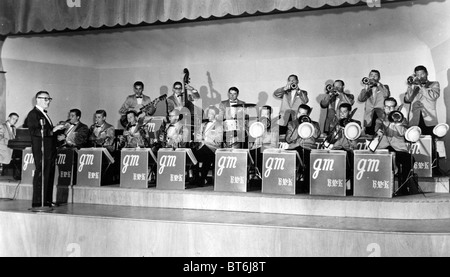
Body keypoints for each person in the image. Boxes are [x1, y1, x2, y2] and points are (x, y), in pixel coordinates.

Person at [26, 91, 66, 208]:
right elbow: (34, 131)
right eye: (45, 99)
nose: (48, 101)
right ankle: (38, 202)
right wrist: (52, 131)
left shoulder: (43, 114)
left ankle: (46, 200)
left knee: (49, 174)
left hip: (49, 149)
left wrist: (56, 131)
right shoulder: (33, 114)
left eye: (49, 99)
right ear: (37, 99)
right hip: (41, 150)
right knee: (42, 174)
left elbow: (45, 131)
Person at [374, 97, 418, 196]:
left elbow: (403, 133)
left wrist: (397, 123)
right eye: (386, 106)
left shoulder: (402, 119)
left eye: (391, 107)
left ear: (396, 108)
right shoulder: (379, 119)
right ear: (384, 107)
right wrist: (381, 129)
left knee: (410, 159)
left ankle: (403, 187)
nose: (389, 109)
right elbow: (377, 130)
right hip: (383, 148)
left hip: (398, 148)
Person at [286, 104, 321, 193]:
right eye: (299, 112)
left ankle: (307, 187)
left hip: (308, 149)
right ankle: (287, 186)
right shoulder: (292, 123)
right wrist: (298, 126)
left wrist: (309, 123)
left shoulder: (314, 124)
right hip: (295, 147)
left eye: (303, 114)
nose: (300, 115)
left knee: (309, 160)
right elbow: (289, 140)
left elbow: (316, 135)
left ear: (307, 115)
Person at [330, 103, 362, 195]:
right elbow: (331, 141)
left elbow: (355, 142)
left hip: (349, 149)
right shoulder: (334, 123)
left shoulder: (356, 123)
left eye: (345, 112)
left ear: (350, 112)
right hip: (337, 149)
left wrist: (348, 128)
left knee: (350, 160)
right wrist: (337, 131)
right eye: (340, 112)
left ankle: (351, 189)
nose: (342, 114)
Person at [190, 106, 223, 186]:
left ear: (216, 115)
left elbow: (218, 142)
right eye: (208, 113)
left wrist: (205, 141)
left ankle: (202, 178)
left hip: (213, 149)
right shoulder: (203, 124)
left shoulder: (219, 126)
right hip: (202, 147)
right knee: (192, 153)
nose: (208, 115)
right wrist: (198, 138)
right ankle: (196, 177)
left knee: (205, 153)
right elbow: (197, 135)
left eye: (211, 114)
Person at [404, 65, 440, 136]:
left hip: (429, 119)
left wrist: (420, 86)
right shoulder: (414, 86)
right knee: (415, 143)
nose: (420, 76)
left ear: (427, 73)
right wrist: (410, 86)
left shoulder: (434, 84)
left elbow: (433, 96)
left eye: (422, 74)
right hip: (415, 119)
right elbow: (408, 99)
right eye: (417, 75)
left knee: (430, 141)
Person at [357, 70, 390, 135]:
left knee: (381, 133)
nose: (373, 77)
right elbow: (361, 99)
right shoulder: (367, 89)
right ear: (369, 77)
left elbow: (386, 94)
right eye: (371, 75)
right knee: (369, 133)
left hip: (380, 113)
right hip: (369, 115)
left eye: (375, 76)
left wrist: (378, 84)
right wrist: (366, 88)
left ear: (379, 78)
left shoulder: (384, 87)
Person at [249, 106, 279, 176]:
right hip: (256, 150)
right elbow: (252, 144)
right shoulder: (256, 126)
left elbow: (274, 144)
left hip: (269, 150)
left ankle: (263, 175)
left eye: (266, 114)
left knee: (260, 151)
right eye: (262, 115)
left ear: (270, 115)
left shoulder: (275, 127)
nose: (264, 117)